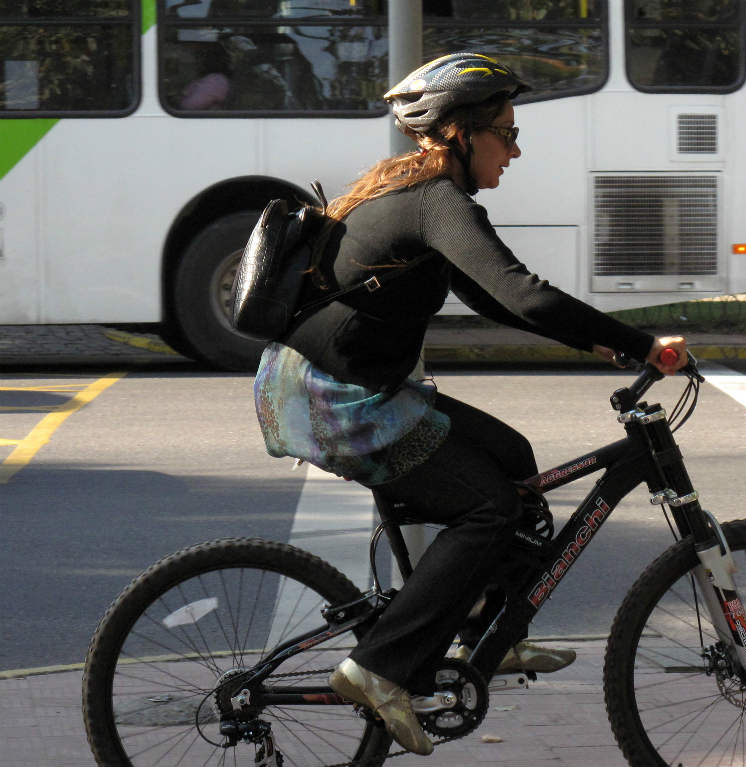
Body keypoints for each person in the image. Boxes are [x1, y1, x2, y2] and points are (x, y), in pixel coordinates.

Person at [253, 52, 687, 755]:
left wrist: (604, 347)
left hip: (342, 383)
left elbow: (491, 296)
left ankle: (491, 629)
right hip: (333, 400)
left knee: (512, 458)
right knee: (490, 506)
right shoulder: (436, 201)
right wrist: (641, 343)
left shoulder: (423, 193)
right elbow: (523, 291)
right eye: (506, 133)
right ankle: (378, 666)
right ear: (460, 133)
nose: (514, 149)